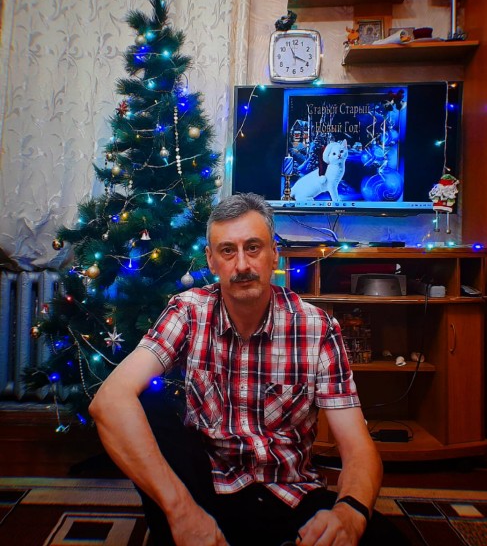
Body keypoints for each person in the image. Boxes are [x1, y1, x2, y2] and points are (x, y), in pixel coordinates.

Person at [89, 192, 407, 546]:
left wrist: (349, 513)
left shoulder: (317, 327)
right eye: (228, 251)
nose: (242, 265)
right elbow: (109, 401)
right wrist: (182, 511)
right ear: (211, 261)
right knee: (146, 406)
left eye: (253, 247)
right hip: (207, 491)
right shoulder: (188, 311)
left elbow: (358, 448)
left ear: (274, 254)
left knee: (384, 539)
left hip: (290, 495)